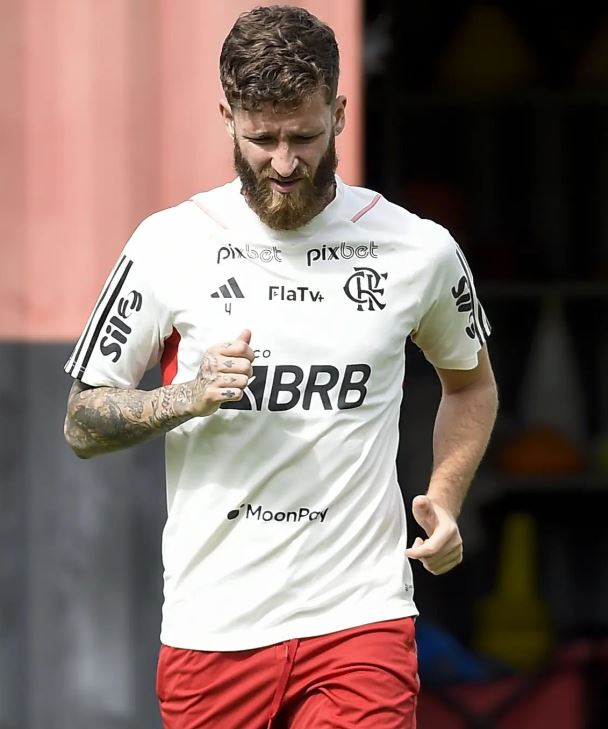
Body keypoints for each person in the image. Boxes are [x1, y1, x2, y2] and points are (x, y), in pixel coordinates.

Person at [63, 5, 498, 728]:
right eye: (262, 139)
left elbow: (471, 382)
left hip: (362, 619)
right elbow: (82, 419)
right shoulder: (169, 243)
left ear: (341, 111)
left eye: (304, 135)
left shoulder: (418, 249)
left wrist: (445, 495)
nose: (286, 162)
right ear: (226, 115)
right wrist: (188, 397)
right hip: (214, 631)